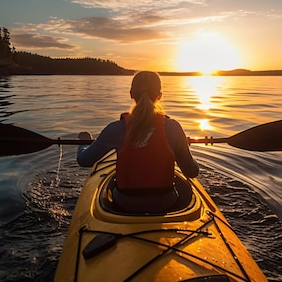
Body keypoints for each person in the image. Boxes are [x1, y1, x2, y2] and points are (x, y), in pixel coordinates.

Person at [77, 71, 199, 213]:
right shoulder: (173, 127)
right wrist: (183, 146)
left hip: (124, 204)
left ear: (131, 94)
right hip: (166, 204)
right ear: (159, 96)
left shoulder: (116, 129)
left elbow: (84, 160)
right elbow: (192, 171)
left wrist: (84, 143)